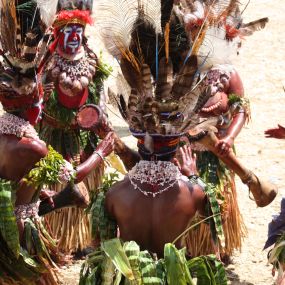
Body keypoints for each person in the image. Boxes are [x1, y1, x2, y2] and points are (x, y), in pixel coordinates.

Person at [106, 143, 206, 257]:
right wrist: (193, 176)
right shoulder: (194, 191)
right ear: (174, 153)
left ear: (140, 151)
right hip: (175, 272)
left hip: (130, 272)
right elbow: (218, 216)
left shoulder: (115, 192)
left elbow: (102, 240)